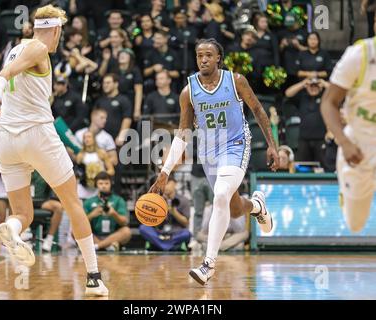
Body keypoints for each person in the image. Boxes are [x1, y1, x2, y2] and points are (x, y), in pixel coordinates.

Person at [0, 5, 108, 296]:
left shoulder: (16, 48)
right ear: (57, 29)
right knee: (73, 203)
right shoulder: (37, 49)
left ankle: (10, 227)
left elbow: (4, 71)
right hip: (36, 136)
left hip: (7, 140)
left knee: (24, 213)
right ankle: (94, 277)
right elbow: (3, 75)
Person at [150, 38, 279, 285]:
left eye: (209, 55)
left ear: (218, 58)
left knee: (220, 194)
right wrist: (165, 171)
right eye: (200, 56)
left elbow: (259, 111)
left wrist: (272, 145)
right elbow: (183, 133)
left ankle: (208, 264)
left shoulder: (236, 81)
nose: (204, 60)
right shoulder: (189, 91)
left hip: (236, 144)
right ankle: (256, 206)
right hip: (209, 153)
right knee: (233, 207)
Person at [320, 29, 376, 233]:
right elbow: (328, 102)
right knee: (356, 224)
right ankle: (346, 192)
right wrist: (344, 142)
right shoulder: (360, 54)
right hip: (359, 148)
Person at [285, 77, 329, 165]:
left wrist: (323, 83)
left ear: (320, 87)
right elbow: (288, 93)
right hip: (303, 139)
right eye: (311, 86)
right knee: (301, 166)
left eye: (315, 86)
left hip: (321, 138)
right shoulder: (302, 97)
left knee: (324, 166)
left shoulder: (325, 98)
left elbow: (336, 92)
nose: (313, 88)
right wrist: (303, 83)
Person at [140, 177, 191, 251]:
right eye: (162, 184)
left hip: (175, 233)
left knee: (186, 233)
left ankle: (161, 245)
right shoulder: (156, 200)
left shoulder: (184, 200)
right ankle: (169, 246)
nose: (164, 186)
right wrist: (159, 212)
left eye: (167, 183)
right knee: (143, 228)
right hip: (159, 232)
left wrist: (174, 212)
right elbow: (151, 223)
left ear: (174, 184)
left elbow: (185, 223)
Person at [83, 172, 131, 251]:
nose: (104, 186)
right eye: (100, 183)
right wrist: (92, 214)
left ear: (111, 184)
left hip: (113, 235)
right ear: (96, 185)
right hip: (95, 236)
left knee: (127, 231)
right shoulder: (89, 202)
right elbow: (81, 223)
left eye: (106, 183)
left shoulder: (118, 200)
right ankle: (107, 246)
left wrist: (114, 213)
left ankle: (97, 246)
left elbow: (124, 222)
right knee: (75, 231)